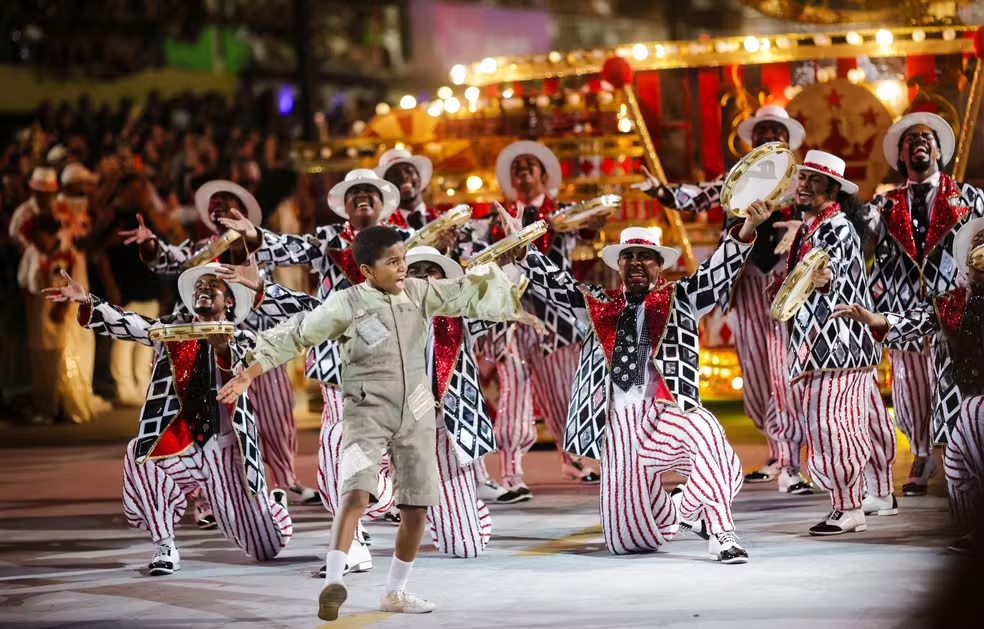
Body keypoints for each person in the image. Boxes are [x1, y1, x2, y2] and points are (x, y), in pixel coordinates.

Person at [218, 225, 537, 621]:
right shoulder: (347, 303)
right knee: (355, 493)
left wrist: (508, 273)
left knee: (416, 506)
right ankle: (334, 581)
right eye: (393, 262)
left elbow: (466, 293)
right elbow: (298, 334)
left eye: (404, 260)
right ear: (367, 270)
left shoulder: (419, 293)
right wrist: (249, 373)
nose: (403, 268)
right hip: (367, 411)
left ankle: (395, 591)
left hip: (417, 412)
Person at [501, 197, 771, 562]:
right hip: (619, 429)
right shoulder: (599, 304)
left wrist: (747, 228)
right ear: (619, 265)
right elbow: (557, 284)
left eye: (645, 256)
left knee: (709, 435)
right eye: (628, 257)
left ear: (659, 265)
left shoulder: (683, 297)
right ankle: (680, 511)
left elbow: (718, 270)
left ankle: (722, 532)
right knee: (628, 543)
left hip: (665, 413)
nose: (636, 263)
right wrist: (522, 248)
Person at [42, 261, 318, 575]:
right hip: (182, 445)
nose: (203, 288)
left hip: (226, 453)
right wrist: (88, 300)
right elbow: (131, 323)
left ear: (229, 301)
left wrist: (226, 347)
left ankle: (275, 504)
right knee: (140, 453)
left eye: (213, 285)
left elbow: (270, 345)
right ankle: (165, 544)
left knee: (265, 548)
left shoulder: (242, 338)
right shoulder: (172, 331)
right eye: (199, 285)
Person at [638, 104, 812, 491]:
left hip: (787, 282)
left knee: (782, 369)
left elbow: (825, 213)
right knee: (755, 373)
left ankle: (787, 460)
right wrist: (661, 191)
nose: (767, 137)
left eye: (775, 132)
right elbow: (699, 197)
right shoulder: (737, 179)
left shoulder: (802, 180)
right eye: (761, 132)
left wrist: (802, 228)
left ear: (786, 140)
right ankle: (776, 450)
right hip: (745, 282)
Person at [119, 179, 319, 504]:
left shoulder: (259, 243)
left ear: (241, 209)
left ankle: (285, 481)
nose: (218, 206)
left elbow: (288, 259)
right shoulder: (201, 248)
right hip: (210, 346)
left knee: (277, 413)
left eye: (225, 201)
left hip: (259, 342)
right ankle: (208, 495)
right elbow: (169, 260)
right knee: (210, 417)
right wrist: (151, 243)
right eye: (213, 202)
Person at [314, 245, 504, 576]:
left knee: (466, 546)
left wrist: (512, 261)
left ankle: (456, 506)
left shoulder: (461, 317)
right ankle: (363, 528)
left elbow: (497, 300)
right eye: (416, 272)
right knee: (337, 440)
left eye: (433, 273)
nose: (425, 280)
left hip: (439, 438)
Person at [462, 140, 605, 498]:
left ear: (544, 175)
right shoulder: (493, 220)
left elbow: (591, 224)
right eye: (517, 168)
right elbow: (472, 252)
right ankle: (512, 473)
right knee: (514, 392)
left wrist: (593, 222)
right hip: (510, 319)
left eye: (529, 166)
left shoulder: (564, 215)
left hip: (557, 319)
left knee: (564, 395)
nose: (522, 171)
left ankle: (572, 458)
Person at [833, 218, 984, 553]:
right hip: (960, 402)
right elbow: (916, 320)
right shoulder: (950, 302)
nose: (978, 267)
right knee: (955, 463)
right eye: (975, 259)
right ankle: (973, 530)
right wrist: (875, 319)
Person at [772, 150, 896, 535]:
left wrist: (824, 282)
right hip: (837, 346)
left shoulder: (835, 228)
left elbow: (836, 278)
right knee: (856, 420)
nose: (803, 185)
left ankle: (848, 507)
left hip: (835, 347)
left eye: (814, 180)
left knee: (830, 424)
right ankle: (874, 496)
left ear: (832, 189)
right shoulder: (815, 227)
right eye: (802, 178)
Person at [863, 112, 984, 497]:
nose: (919, 142)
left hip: (954, 306)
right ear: (901, 155)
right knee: (909, 392)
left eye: (926, 137)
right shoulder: (883, 204)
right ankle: (920, 454)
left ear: (938, 150)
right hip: (902, 308)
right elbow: (860, 239)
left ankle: (954, 458)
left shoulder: (969, 197)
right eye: (911, 139)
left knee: (951, 385)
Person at [375, 148, 439, 230]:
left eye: (408, 171)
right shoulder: (383, 228)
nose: (403, 176)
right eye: (395, 174)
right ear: (387, 186)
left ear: (419, 178)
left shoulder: (442, 220)